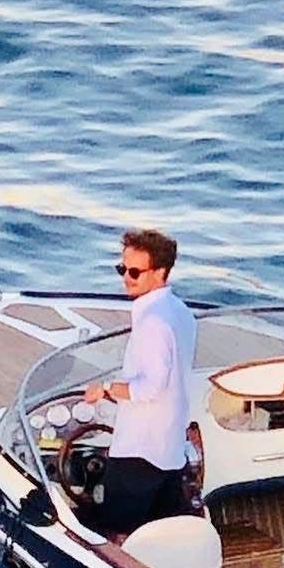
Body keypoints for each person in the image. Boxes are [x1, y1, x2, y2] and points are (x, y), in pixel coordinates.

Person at [81, 228, 197, 535]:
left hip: (140, 450)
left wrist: (105, 389)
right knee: (165, 531)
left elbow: (150, 387)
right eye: (122, 269)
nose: (126, 278)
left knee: (117, 534)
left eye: (135, 272)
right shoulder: (180, 311)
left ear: (160, 272)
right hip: (170, 446)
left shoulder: (154, 321)